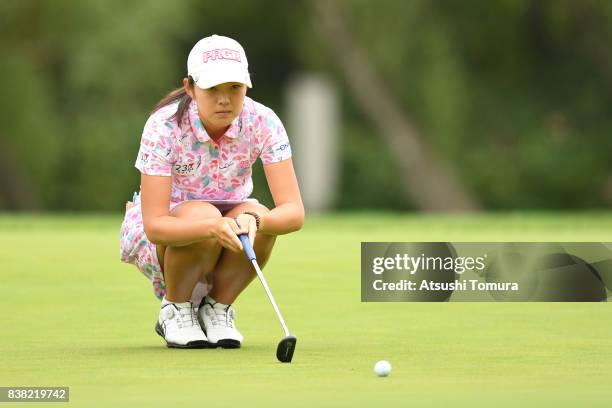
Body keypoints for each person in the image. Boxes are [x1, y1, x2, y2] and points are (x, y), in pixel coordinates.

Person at [119, 35, 304, 349]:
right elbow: (154, 225)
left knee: (257, 215)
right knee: (202, 214)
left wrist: (257, 224)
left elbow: (293, 212)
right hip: (170, 231)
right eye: (212, 89)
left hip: (230, 220)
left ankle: (217, 309)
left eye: (235, 88)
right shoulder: (163, 126)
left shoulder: (263, 121)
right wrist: (211, 226)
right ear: (190, 88)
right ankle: (175, 309)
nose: (225, 99)